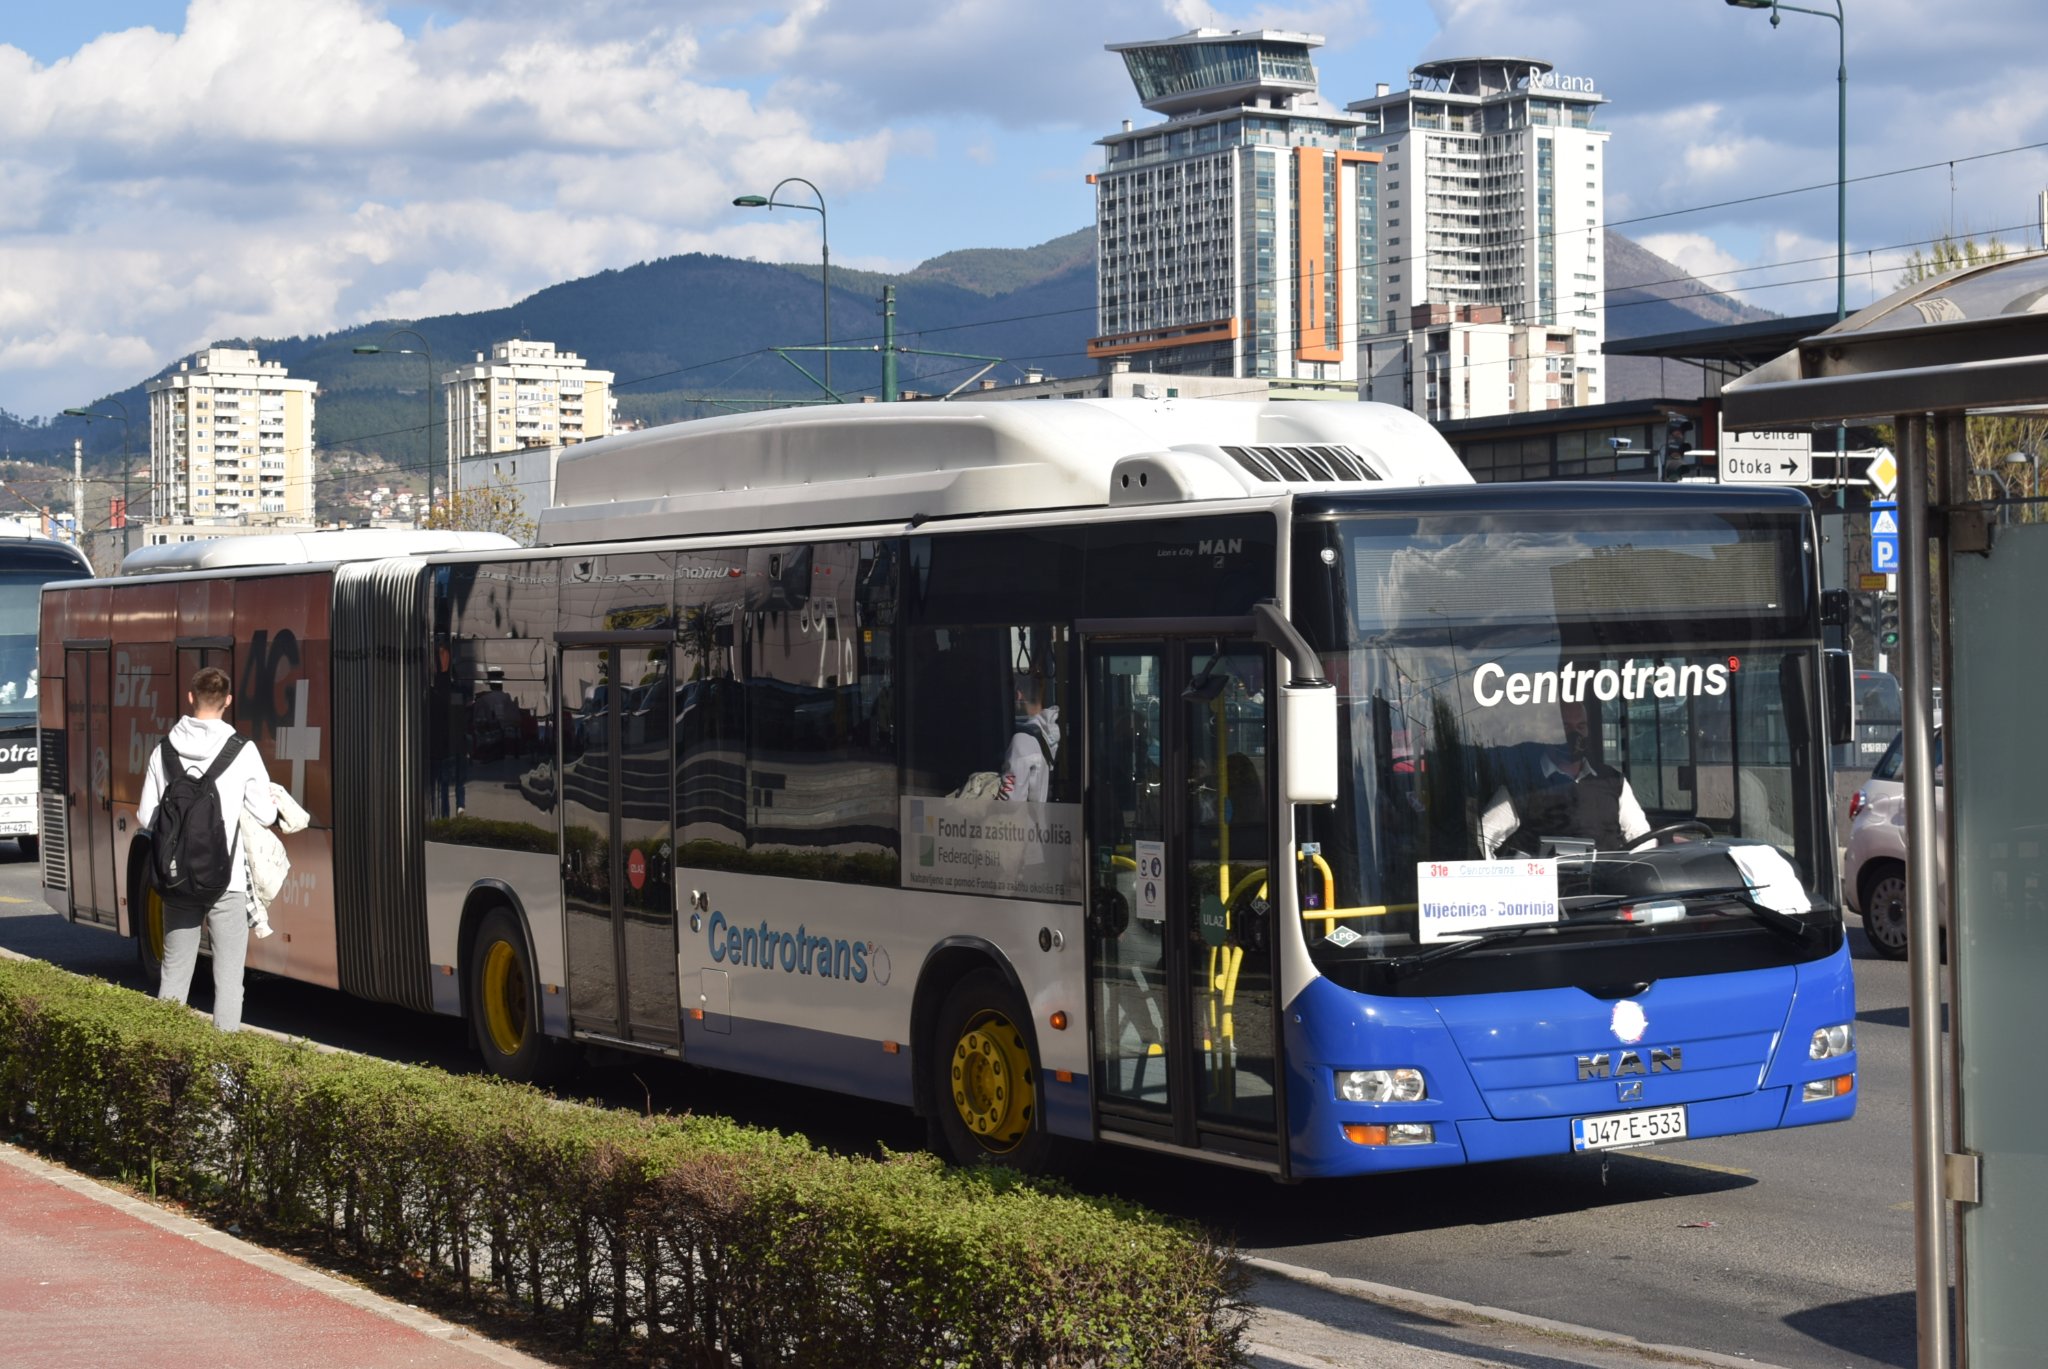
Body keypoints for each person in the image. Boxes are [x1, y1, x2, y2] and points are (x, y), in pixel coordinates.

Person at [136, 666, 279, 1032]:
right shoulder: (242, 751)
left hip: (177, 880)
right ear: (228, 701)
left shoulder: (164, 750)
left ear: (190, 698)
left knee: (174, 976)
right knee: (229, 981)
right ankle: (222, 1072)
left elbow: (145, 816)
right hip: (225, 881)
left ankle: (165, 1061)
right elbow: (265, 813)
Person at [1479, 698, 1650, 857]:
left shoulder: (1613, 781)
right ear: (1548, 733)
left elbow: (1642, 840)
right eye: (1566, 727)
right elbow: (1482, 838)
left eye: (1581, 727)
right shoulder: (1522, 783)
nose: (1575, 734)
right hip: (1544, 887)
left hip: (1606, 886)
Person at [996, 671, 1060, 803]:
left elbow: (1011, 800)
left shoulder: (1022, 741)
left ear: (1018, 694)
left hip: (1022, 823)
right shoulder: (1048, 733)